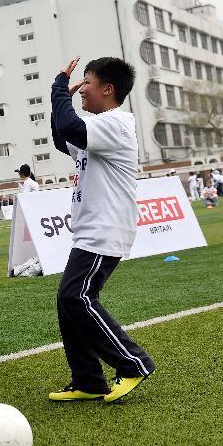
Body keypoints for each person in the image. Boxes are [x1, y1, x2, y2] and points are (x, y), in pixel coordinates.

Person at [47, 56, 155, 404]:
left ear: (108, 90)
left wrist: (59, 89)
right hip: (91, 230)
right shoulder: (98, 127)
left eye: (88, 83)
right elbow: (63, 137)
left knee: (75, 297)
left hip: (105, 228)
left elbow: (72, 127)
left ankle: (134, 363)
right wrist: (59, 100)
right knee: (68, 302)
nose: (82, 89)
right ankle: (89, 380)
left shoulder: (116, 122)